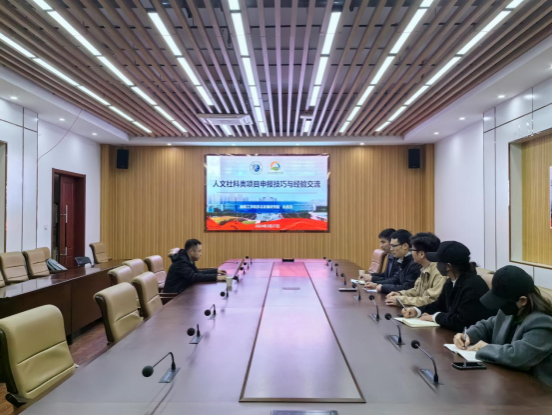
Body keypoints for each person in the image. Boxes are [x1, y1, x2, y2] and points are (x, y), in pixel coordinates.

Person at [453, 265, 552, 387]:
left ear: (523, 300)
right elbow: (487, 326)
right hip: (507, 380)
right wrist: (468, 335)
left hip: (537, 390)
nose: (500, 307)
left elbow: (518, 356)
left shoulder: (542, 322)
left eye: (502, 303)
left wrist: (485, 348)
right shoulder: (511, 311)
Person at [402, 241, 494, 332]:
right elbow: (438, 305)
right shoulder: (450, 282)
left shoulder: (473, 286)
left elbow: (462, 321)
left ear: (448, 266)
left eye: (438, 262)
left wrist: (435, 317)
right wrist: (417, 311)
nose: (436, 265)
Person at [385, 232, 445, 308]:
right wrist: (400, 294)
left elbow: (431, 300)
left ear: (421, 254)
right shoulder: (425, 268)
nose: (410, 252)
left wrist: (402, 300)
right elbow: (416, 291)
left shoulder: (440, 273)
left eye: (412, 249)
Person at [365, 229, 421, 294]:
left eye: (393, 246)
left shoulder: (415, 263)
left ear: (405, 246)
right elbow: (395, 280)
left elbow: (407, 288)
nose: (391, 249)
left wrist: (382, 287)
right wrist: (376, 284)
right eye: (391, 246)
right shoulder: (402, 260)